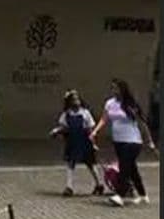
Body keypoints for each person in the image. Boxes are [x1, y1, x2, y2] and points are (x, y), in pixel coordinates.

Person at [90, 78, 157, 206]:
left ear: (122, 89)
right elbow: (104, 119)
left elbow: (142, 123)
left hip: (133, 141)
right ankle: (143, 195)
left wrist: (149, 140)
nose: (114, 90)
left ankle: (120, 195)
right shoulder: (110, 103)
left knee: (124, 167)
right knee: (132, 169)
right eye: (112, 88)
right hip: (118, 140)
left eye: (116, 88)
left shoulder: (130, 104)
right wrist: (95, 131)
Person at [48, 89, 104, 197]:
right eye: (73, 100)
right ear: (69, 102)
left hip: (84, 140)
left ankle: (99, 184)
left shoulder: (85, 112)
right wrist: (56, 131)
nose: (76, 101)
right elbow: (64, 127)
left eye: (77, 99)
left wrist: (93, 142)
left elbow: (90, 128)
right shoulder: (66, 114)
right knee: (70, 163)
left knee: (90, 163)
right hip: (72, 141)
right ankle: (69, 187)